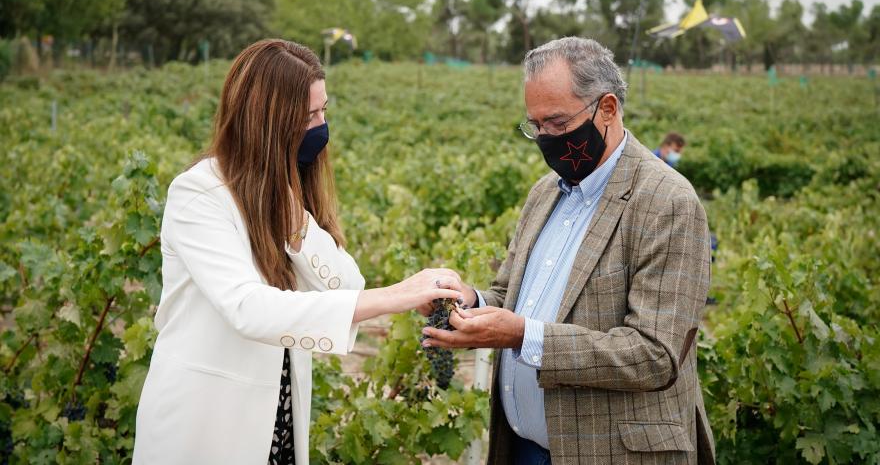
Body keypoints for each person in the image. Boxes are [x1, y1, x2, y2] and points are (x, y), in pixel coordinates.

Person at [133, 39, 466, 465]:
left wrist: (294, 220)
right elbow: (248, 308)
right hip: (206, 425)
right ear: (268, 121)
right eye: (310, 116)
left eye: (324, 110)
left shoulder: (285, 195)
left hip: (277, 420)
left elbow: (346, 283)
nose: (322, 126)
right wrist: (400, 293)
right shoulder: (200, 194)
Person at [422, 37, 716, 464]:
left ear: (607, 109)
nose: (546, 139)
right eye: (535, 126)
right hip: (524, 448)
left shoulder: (667, 202)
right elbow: (512, 298)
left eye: (558, 124)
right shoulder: (545, 194)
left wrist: (523, 335)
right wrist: (470, 302)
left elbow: (655, 355)